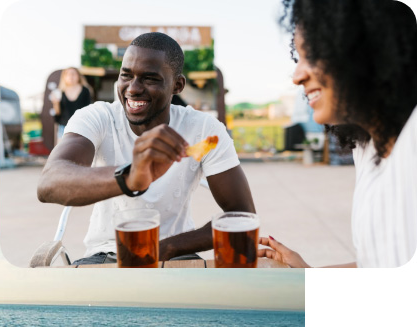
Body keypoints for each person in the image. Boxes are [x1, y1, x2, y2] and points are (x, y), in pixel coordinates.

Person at [37, 33, 254, 264]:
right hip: (107, 254)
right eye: (126, 75)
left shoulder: (204, 129)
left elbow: (243, 215)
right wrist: (130, 177)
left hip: (177, 254)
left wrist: (164, 248)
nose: (133, 88)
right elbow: (49, 183)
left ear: (177, 85)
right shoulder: (98, 117)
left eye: (150, 79)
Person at [260, 0, 417, 268]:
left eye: (312, 54)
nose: (296, 76)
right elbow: (379, 265)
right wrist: (306, 275)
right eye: (299, 58)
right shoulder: (367, 149)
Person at [50, 67, 93, 140]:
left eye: (73, 73)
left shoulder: (85, 90)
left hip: (82, 127)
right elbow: (57, 113)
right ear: (64, 77)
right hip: (64, 128)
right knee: (62, 151)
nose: (71, 76)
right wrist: (55, 103)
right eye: (68, 74)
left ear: (78, 76)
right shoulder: (60, 92)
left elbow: (88, 110)